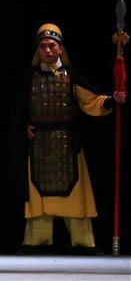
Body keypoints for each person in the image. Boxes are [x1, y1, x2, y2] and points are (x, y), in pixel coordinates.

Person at [17, 23, 126, 254]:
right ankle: (36, 243)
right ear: (37, 50)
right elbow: (17, 112)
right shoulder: (29, 79)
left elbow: (91, 102)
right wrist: (23, 126)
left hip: (67, 144)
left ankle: (84, 243)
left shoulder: (72, 77)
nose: (47, 50)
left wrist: (110, 100)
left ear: (60, 48)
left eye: (51, 45)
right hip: (39, 146)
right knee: (38, 197)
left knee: (76, 195)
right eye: (43, 46)